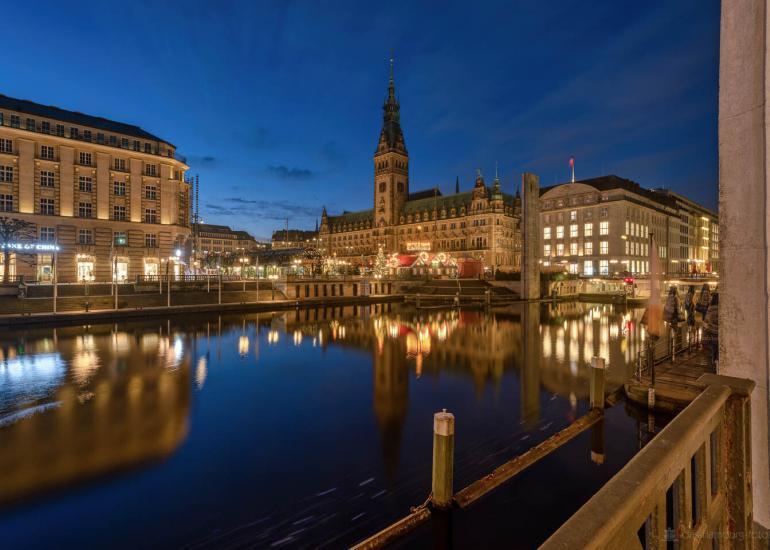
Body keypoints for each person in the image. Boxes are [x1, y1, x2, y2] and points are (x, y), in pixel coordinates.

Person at [703, 293, 719, 368]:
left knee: (713, 346)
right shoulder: (721, 308)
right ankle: (718, 362)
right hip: (719, 332)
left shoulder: (710, 308)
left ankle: (714, 360)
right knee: (718, 347)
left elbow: (706, 320)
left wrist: (706, 329)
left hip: (712, 331)